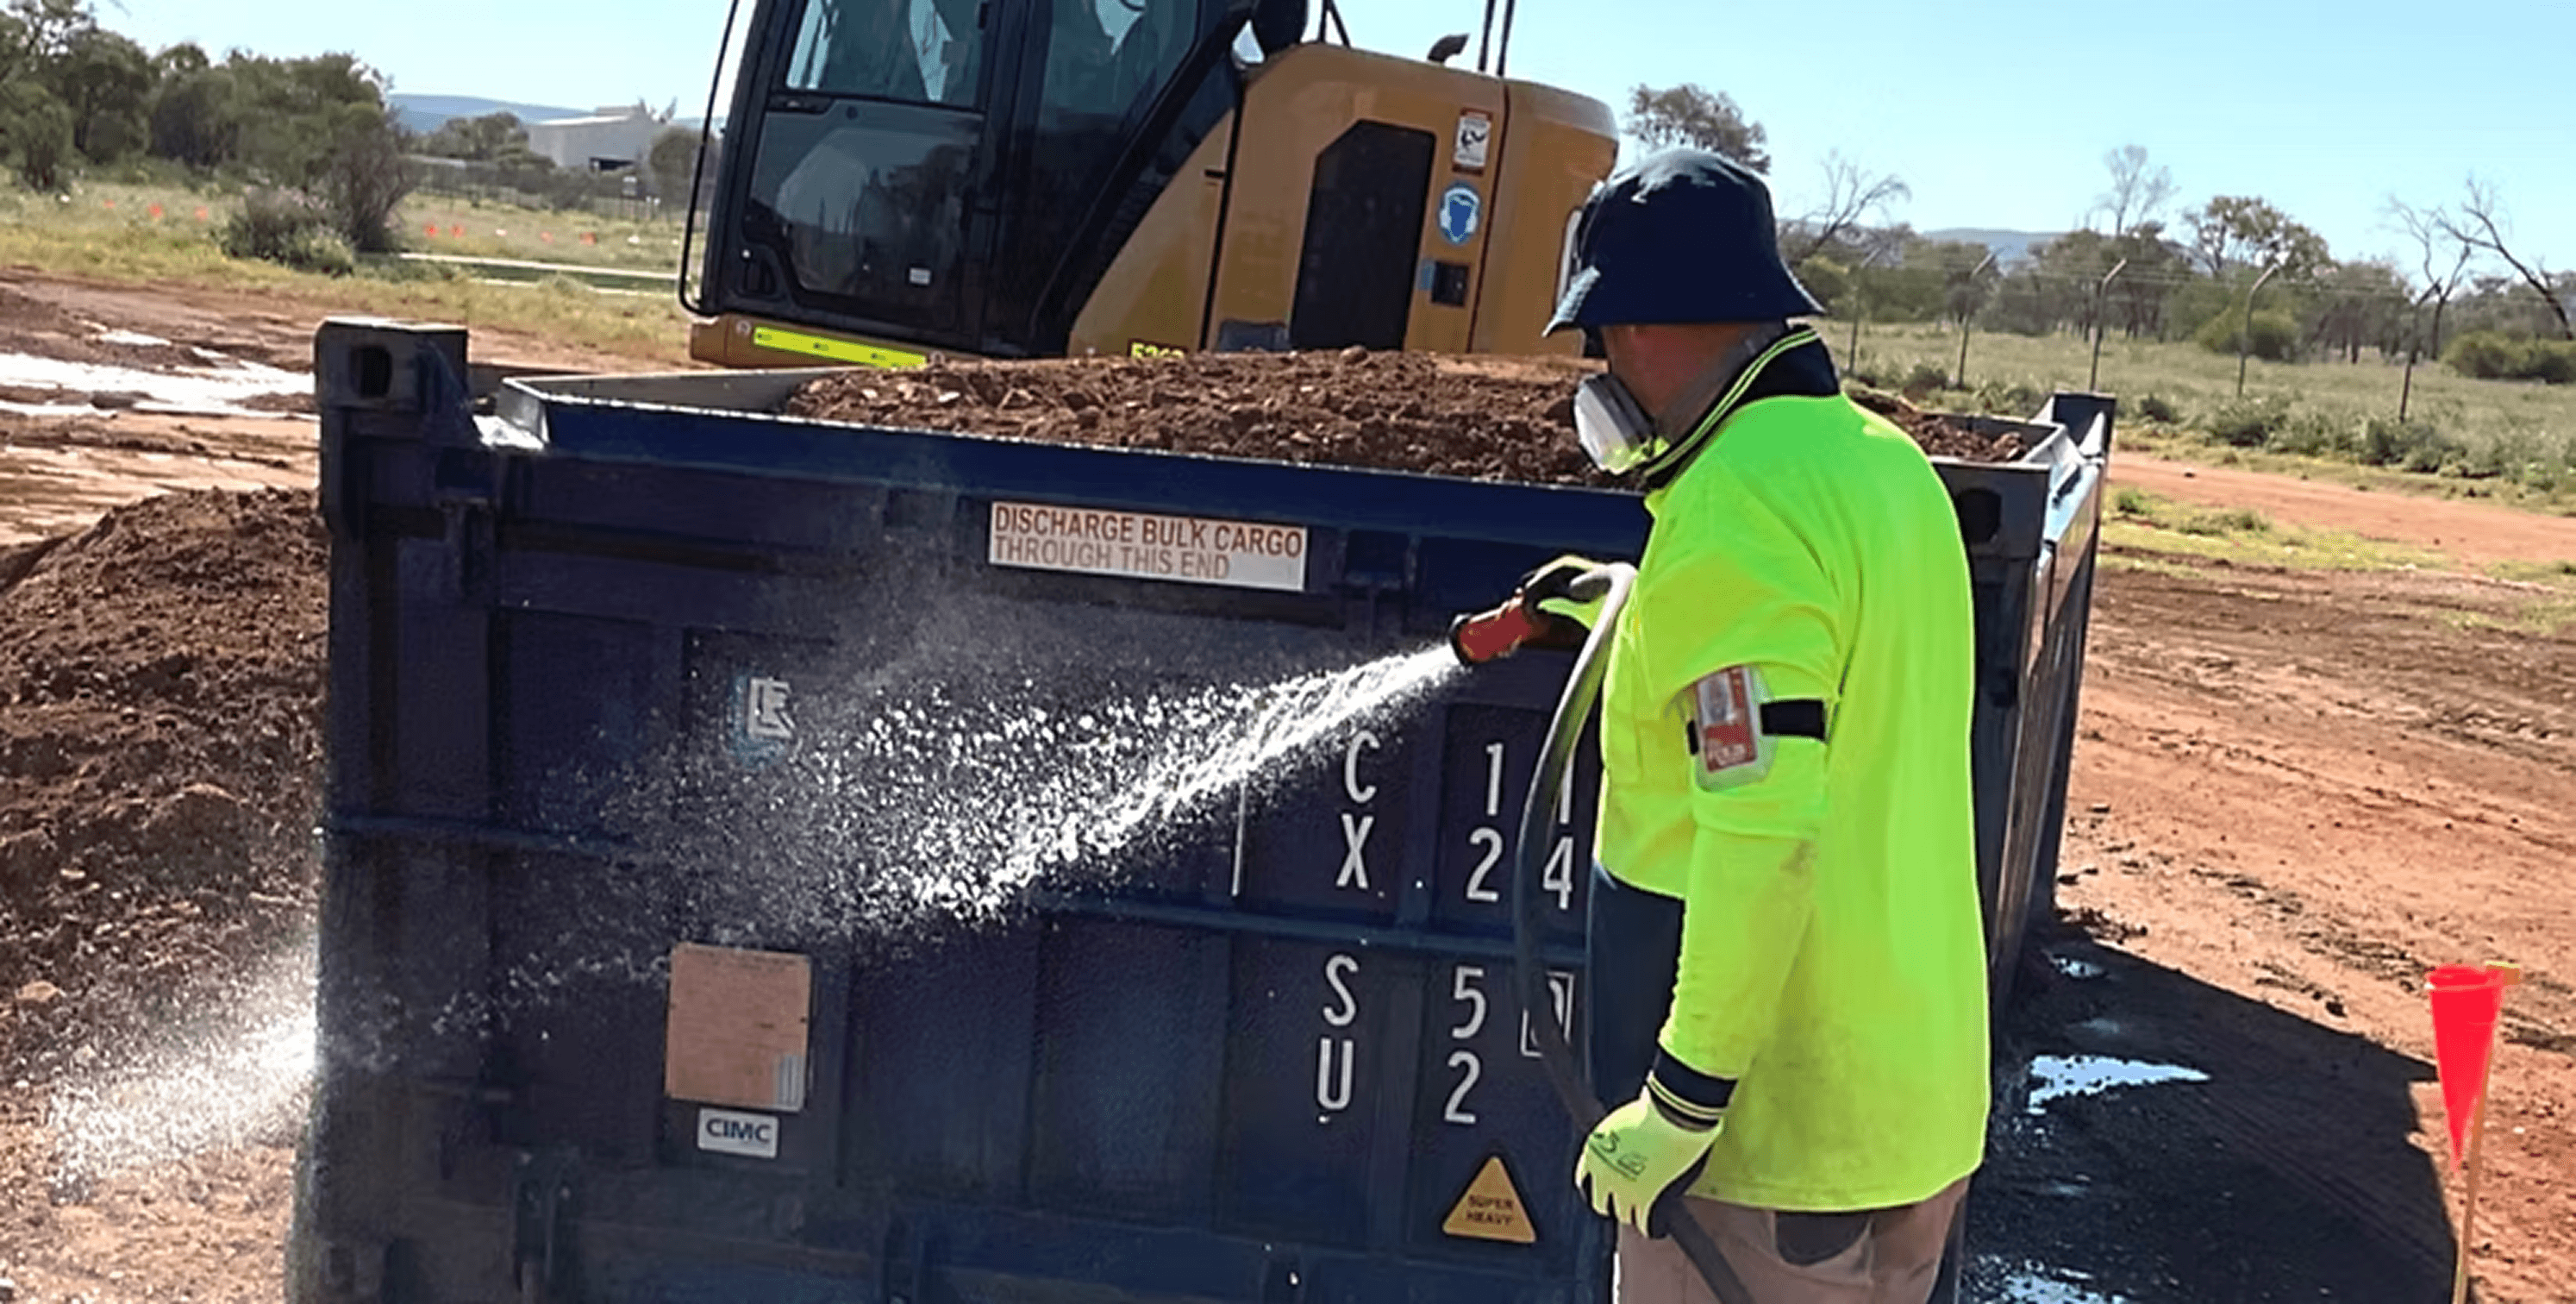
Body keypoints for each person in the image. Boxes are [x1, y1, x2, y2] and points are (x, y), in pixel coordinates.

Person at [1511, 147, 1991, 1304]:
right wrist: (1628, 613)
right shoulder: (1885, 466)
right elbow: (1818, 690)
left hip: (1773, 1143)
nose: (1599, 367)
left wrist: (1682, 1101)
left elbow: (1764, 821)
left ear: (1652, 328)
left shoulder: (1735, 505)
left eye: (1603, 335)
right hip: (1915, 1108)